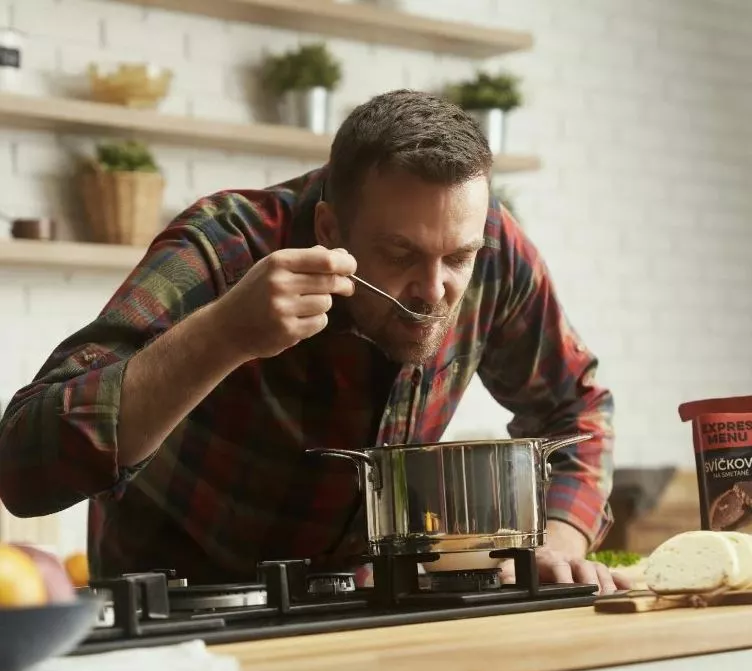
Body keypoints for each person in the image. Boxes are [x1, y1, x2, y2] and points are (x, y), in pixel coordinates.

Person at [0, 89, 628, 594]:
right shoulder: (225, 244)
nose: (434, 290)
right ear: (329, 227)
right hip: (176, 609)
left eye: (458, 258)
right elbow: (23, 463)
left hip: (356, 604)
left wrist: (559, 541)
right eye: (400, 254)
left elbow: (576, 407)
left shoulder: (492, 244)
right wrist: (222, 334)